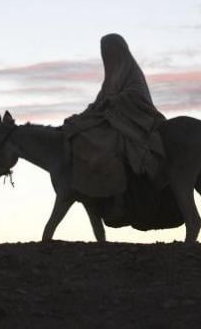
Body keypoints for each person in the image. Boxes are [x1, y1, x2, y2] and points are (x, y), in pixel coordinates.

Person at [63, 34, 166, 224]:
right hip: (111, 118)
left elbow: (137, 94)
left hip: (134, 119)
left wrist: (115, 100)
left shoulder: (132, 72)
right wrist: (80, 117)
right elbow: (98, 102)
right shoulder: (110, 78)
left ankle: (119, 200)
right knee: (85, 134)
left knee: (111, 144)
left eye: (110, 51)